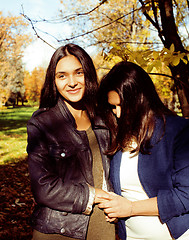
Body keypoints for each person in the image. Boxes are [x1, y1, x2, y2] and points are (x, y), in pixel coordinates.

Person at [26, 43, 115, 240]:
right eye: (62, 76)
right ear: (54, 81)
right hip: (59, 230)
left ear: (88, 75)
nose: (72, 82)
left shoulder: (105, 119)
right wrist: (93, 195)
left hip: (103, 227)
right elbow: (43, 187)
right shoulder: (43, 123)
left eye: (78, 73)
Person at [96, 61, 189, 240]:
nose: (118, 114)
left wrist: (130, 208)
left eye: (122, 105)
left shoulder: (179, 131)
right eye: (113, 107)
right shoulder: (118, 134)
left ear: (142, 99)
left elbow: (186, 195)